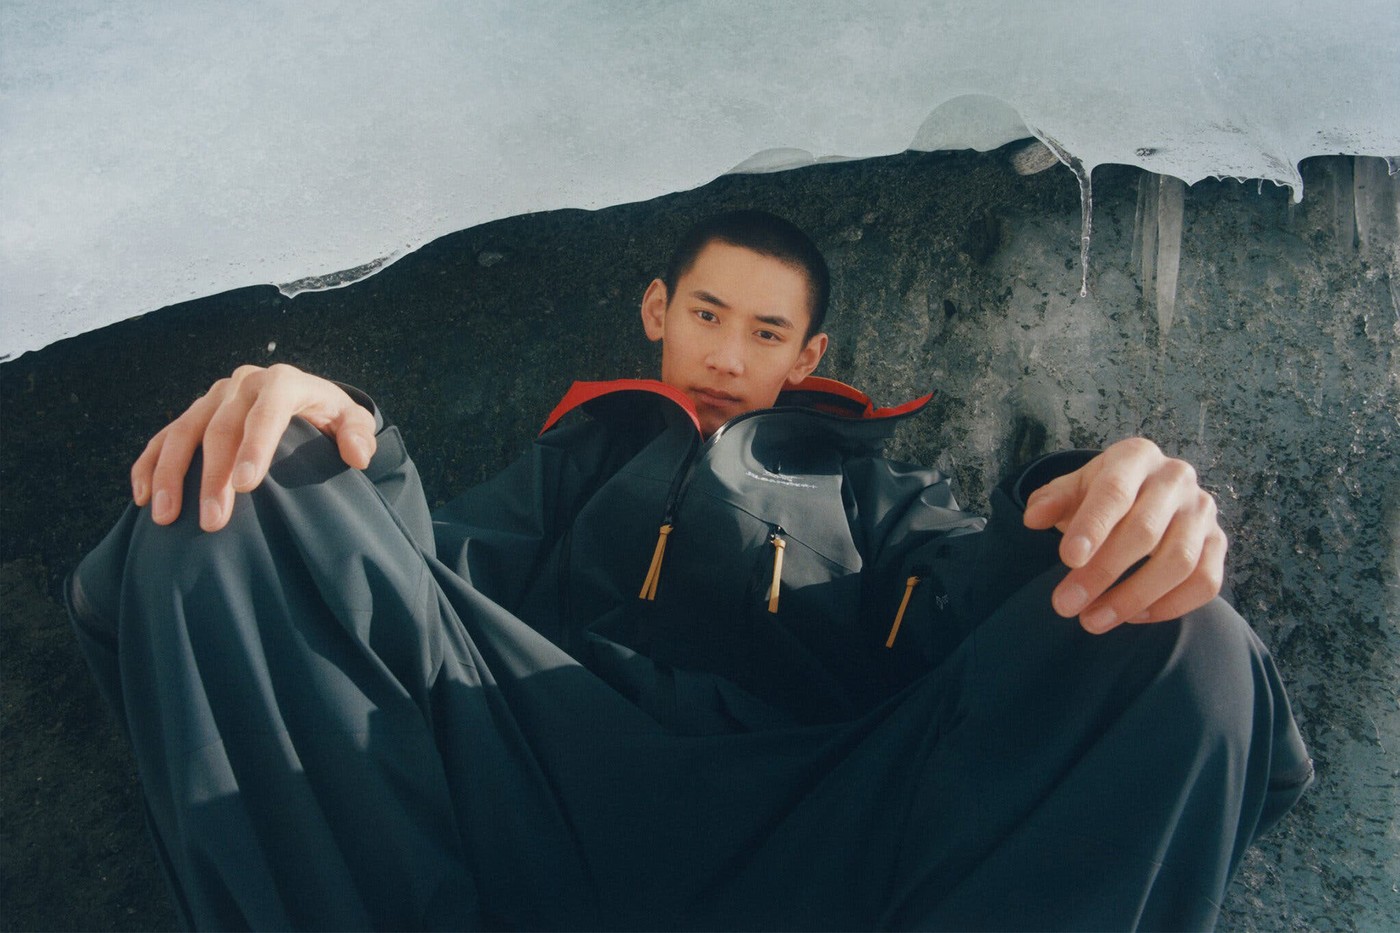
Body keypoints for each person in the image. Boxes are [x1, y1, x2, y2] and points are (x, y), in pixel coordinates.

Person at [68, 210, 1312, 930]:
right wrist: (330, 440)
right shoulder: (578, 457)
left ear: (804, 357)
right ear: (657, 310)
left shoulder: (872, 492)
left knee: (1168, 630)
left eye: (764, 333)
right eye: (708, 315)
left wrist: (1098, 505)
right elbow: (409, 585)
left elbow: (978, 609)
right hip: (542, 782)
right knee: (247, 490)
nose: (725, 356)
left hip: (812, 825)